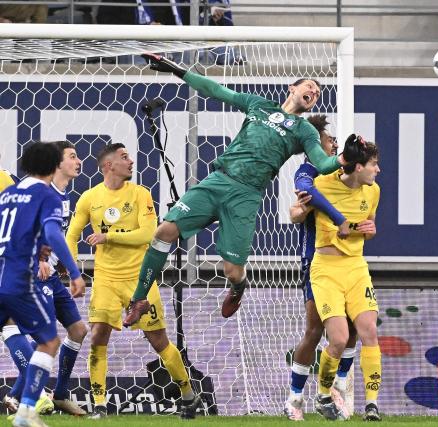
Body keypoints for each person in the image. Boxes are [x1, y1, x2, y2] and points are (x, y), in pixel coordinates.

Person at [123, 53, 356, 327]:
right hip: (217, 181)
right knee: (164, 232)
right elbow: (216, 90)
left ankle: (237, 288)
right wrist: (175, 69)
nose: (314, 92)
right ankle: (139, 298)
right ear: (292, 88)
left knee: (233, 272)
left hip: (246, 196)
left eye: (317, 93)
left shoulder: (305, 130)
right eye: (310, 87)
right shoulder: (259, 105)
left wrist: (343, 159)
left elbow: (322, 163)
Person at [65, 143, 200, 420]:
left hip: (140, 279)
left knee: (159, 341)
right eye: (124, 157)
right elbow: (71, 235)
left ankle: (188, 395)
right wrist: (72, 270)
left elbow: (149, 234)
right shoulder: (89, 198)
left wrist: (108, 236)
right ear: (108, 166)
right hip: (105, 279)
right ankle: (100, 406)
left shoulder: (140, 194)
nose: (131, 161)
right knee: (98, 336)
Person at [0, 141, 85, 427]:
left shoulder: (9, 194)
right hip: (18, 277)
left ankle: (26, 406)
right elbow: (52, 232)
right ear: (53, 165)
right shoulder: (46, 195)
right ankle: (26, 412)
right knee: (48, 341)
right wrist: (74, 272)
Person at [284, 115, 357, 421]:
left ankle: (337, 386)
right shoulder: (308, 171)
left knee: (353, 329)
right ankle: (295, 398)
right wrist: (302, 209)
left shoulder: (341, 175)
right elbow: (296, 212)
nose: (334, 147)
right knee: (315, 330)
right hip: (316, 263)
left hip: (346, 263)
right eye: (329, 142)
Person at [307, 137, 382, 421]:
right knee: (338, 339)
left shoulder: (373, 190)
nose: (378, 170)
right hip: (326, 268)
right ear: (359, 165)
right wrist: (298, 210)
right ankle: (323, 395)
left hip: (356, 267)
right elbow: (298, 207)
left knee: (369, 331)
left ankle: (372, 404)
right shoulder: (323, 184)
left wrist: (370, 228)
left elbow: (371, 227)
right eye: (374, 164)